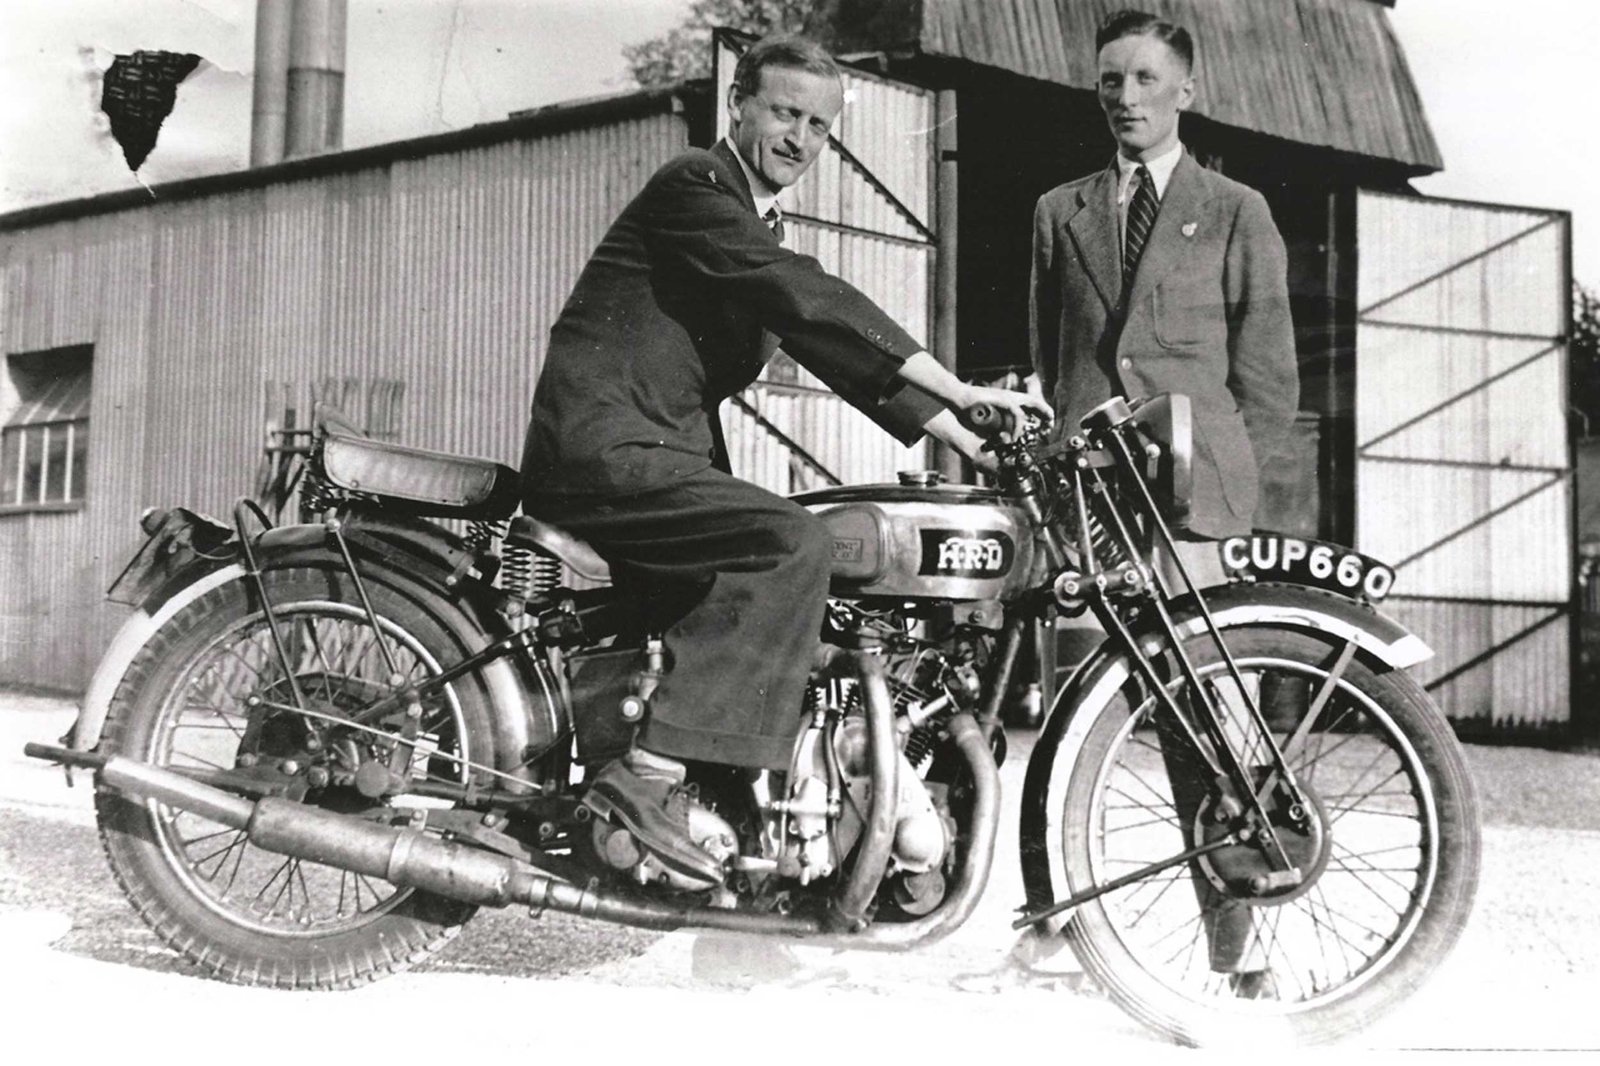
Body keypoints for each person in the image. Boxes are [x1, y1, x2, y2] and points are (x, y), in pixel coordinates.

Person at [522, 35, 1049, 885]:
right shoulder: (694, 185)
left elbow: (821, 338)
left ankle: (739, 804)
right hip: (604, 450)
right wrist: (952, 386)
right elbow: (802, 293)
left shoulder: (752, 216)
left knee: (805, 564)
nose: (800, 138)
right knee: (787, 544)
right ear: (739, 103)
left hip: (651, 452)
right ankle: (647, 780)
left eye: (819, 125)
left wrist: (964, 435)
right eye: (784, 113)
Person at [1028, 10, 1300, 991]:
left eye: (1146, 80)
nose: (1127, 99)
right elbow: (1057, 365)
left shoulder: (1236, 210)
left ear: (1186, 89)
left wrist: (1258, 522)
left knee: (1205, 719)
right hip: (1096, 499)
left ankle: (1245, 947)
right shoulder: (1059, 211)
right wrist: (1060, 482)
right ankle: (1058, 920)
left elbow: (1270, 387)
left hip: (1195, 501)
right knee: (1072, 717)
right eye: (1110, 82)